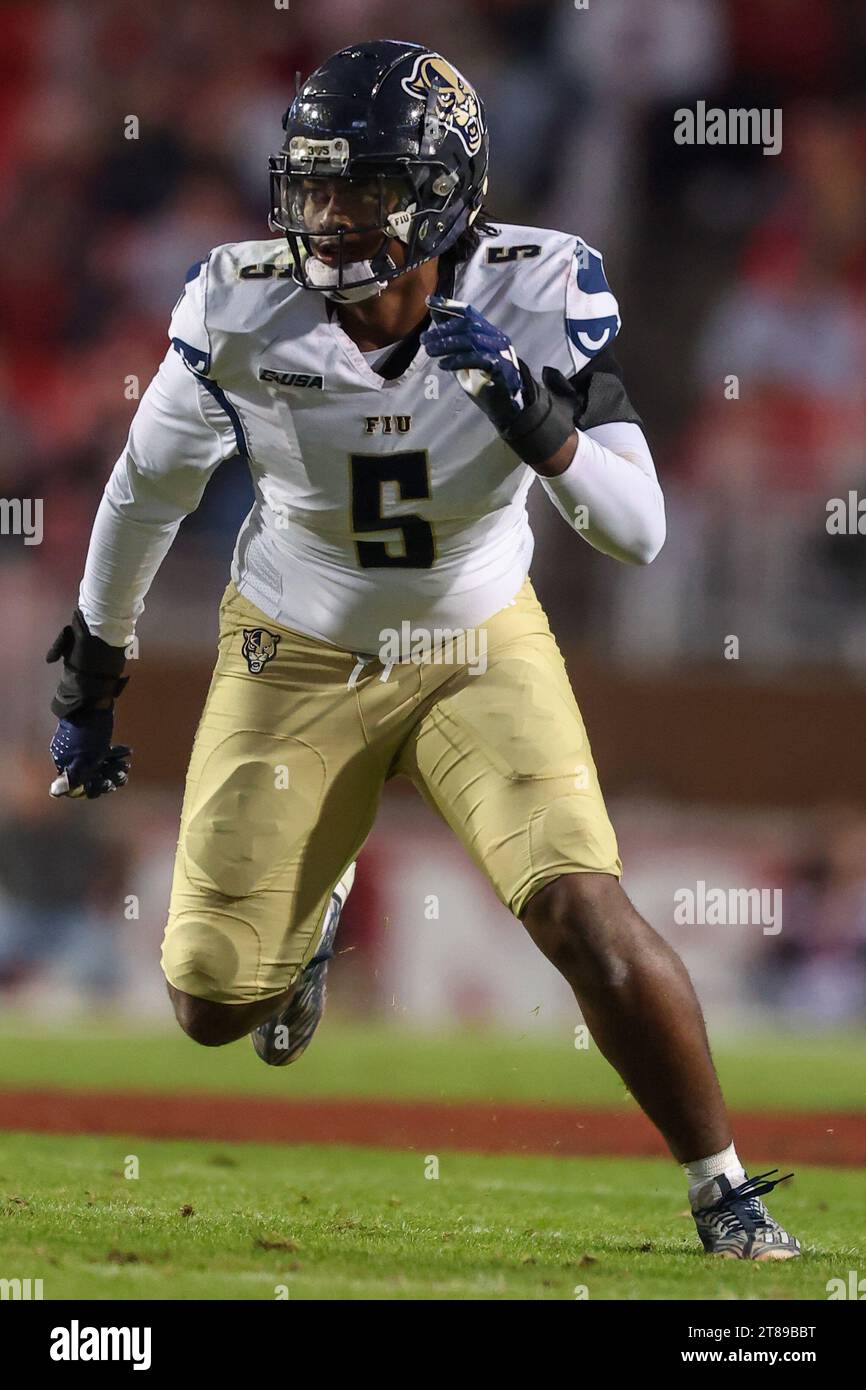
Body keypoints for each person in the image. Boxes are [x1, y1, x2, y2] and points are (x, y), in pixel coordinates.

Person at [46, 39, 799, 1260]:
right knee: (205, 1002)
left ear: (444, 193)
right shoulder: (240, 303)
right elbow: (144, 495)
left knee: (579, 908)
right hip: (294, 642)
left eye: (364, 188)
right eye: (312, 186)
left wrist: (535, 417)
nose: (330, 219)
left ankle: (724, 1191)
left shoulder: (534, 290)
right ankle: (310, 923)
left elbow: (641, 534)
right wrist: (95, 663)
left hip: (474, 638)